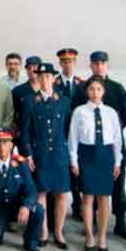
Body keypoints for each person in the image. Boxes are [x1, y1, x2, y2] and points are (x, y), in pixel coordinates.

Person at [19, 63, 72, 249]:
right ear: (38, 79)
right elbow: (24, 131)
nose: (45, 80)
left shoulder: (64, 101)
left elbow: (68, 131)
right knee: (41, 193)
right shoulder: (29, 101)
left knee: (61, 194)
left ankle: (58, 231)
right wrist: (28, 154)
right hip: (40, 155)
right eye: (41, 76)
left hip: (59, 154)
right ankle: (43, 231)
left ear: (54, 78)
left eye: (48, 76)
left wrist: (69, 153)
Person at [68, 76, 123, 251]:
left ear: (103, 91)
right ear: (87, 91)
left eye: (98, 89)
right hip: (87, 154)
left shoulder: (111, 113)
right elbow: (73, 138)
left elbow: (117, 139)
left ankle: (102, 238)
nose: (95, 93)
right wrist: (74, 160)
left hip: (105, 156)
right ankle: (90, 235)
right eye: (91, 89)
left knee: (104, 198)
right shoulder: (79, 111)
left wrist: (117, 161)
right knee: (88, 198)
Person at [88, 51, 126, 240]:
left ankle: (120, 223)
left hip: (114, 145)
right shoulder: (86, 87)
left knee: (118, 184)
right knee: (93, 186)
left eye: (102, 63)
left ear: (107, 65)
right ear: (90, 65)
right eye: (95, 63)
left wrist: (114, 129)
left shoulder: (117, 88)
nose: (99, 66)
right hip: (92, 147)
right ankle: (94, 224)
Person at [0, 126, 43, 251]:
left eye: (5, 142)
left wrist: (26, 206)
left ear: (11, 145)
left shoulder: (21, 163)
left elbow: (31, 190)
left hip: (17, 208)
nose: (2, 146)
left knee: (38, 209)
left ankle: (31, 242)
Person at [54, 48, 86, 221]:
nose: (67, 64)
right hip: (59, 134)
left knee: (79, 170)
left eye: (71, 61)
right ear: (60, 63)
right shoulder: (54, 84)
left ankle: (79, 206)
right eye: (64, 61)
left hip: (80, 136)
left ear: (75, 63)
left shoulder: (83, 84)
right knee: (63, 171)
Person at [11, 56, 41, 126]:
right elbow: (13, 115)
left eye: (34, 67)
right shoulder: (18, 91)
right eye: (29, 68)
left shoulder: (48, 89)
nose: (31, 70)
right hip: (24, 130)